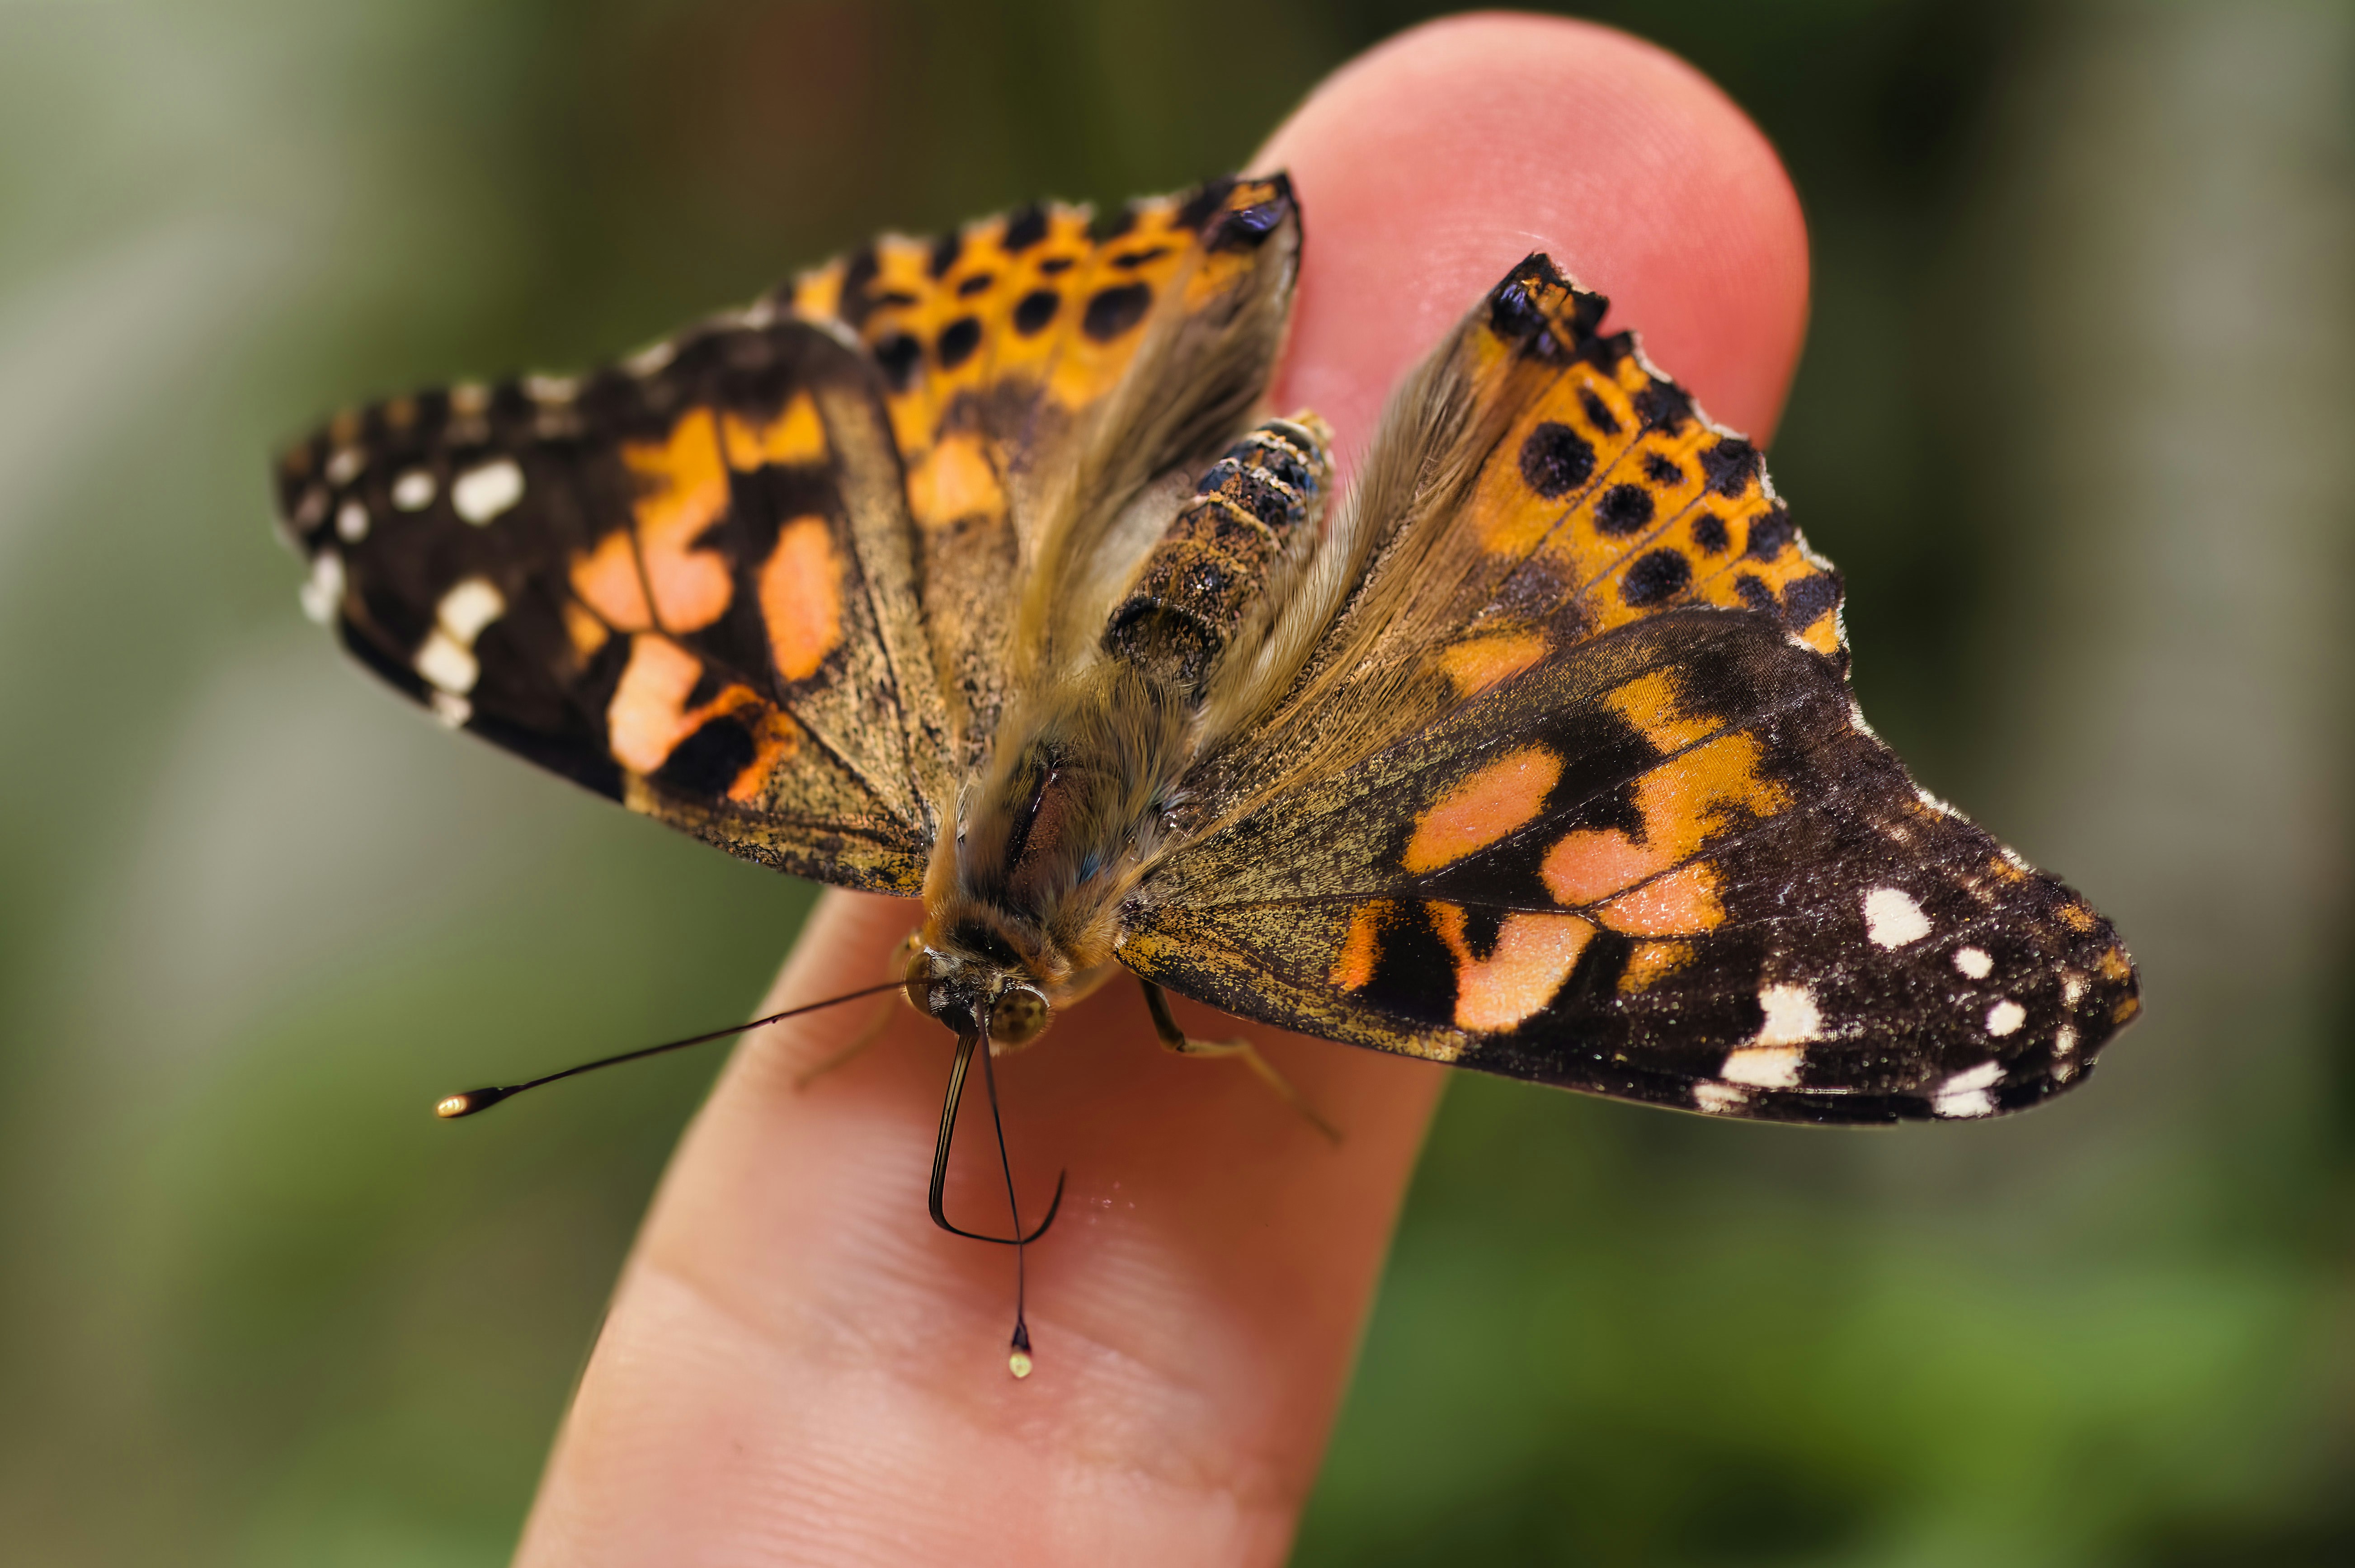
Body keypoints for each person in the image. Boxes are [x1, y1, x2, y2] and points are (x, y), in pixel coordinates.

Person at [515, 14, 1810, 1564]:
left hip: (1096, 529)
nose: (958, 987)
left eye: (947, 976)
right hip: (1130, 554)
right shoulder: (898, 820)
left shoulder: (1068, 895)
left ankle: (1308, 334)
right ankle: (1464, 382)